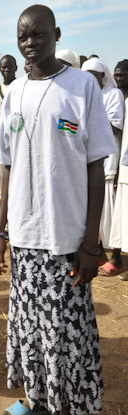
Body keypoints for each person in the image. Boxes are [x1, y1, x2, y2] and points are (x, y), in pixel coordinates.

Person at [0, 4, 115, 415]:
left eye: (38, 34)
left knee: (66, 332)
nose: (29, 42)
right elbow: (6, 166)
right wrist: (1, 231)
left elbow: (96, 166)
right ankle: (35, 398)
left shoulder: (81, 86)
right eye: (23, 34)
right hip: (24, 235)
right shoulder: (14, 92)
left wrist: (91, 242)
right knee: (28, 326)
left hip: (67, 240)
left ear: (56, 35)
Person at [81, 57, 125, 275]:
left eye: (93, 75)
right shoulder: (83, 93)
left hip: (108, 159)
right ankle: (97, 251)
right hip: (86, 160)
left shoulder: (112, 94)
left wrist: (88, 124)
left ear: (101, 76)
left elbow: (115, 127)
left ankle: (115, 256)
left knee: (110, 211)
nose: (89, 79)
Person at [109, 59, 128, 281]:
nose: (118, 78)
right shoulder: (117, 99)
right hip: (120, 166)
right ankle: (116, 257)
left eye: (122, 74)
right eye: (115, 74)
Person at [0, 55, 18, 194]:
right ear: (0, 68)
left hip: (18, 139)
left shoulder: (22, 87)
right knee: (1, 176)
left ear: (16, 68)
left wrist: (2, 116)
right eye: (3, 67)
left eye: (9, 66)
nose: (6, 69)